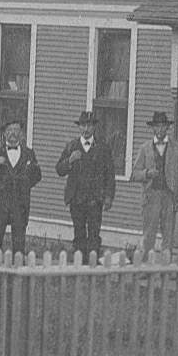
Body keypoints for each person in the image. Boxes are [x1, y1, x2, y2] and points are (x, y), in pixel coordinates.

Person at [57, 112, 117, 262]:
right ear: (79, 127)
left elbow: (110, 174)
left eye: (89, 126)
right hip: (76, 199)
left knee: (94, 234)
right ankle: (80, 263)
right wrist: (69, 160)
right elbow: (59, 170)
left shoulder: (103, 148)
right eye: (83, 125)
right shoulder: (72, 146)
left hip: (95, 200)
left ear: (94, 127)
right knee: (79, 233)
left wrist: (109, 196)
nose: (86, 129)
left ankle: (92, 264)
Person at [0, 121, 41, 253]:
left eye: (16, 130)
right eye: (10, 130)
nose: (13, 133)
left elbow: (37, 176)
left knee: (19, 245)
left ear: (21, 134)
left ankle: (17, 271)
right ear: (4, 133)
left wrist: (24, 184)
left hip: (19, 205)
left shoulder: (29, 153)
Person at [132, 110, 178, 256]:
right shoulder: (145, 148)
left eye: (163, 126)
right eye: (157, 126)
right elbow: (135, 173)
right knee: (149, 233)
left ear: (167, 128)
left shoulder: (177, 149)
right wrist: (147, 173)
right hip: (151, 196)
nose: (160, 130)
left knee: (168, 234)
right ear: (153, 128)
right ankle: (148, 266)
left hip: (169, 195)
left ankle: (166, 268)